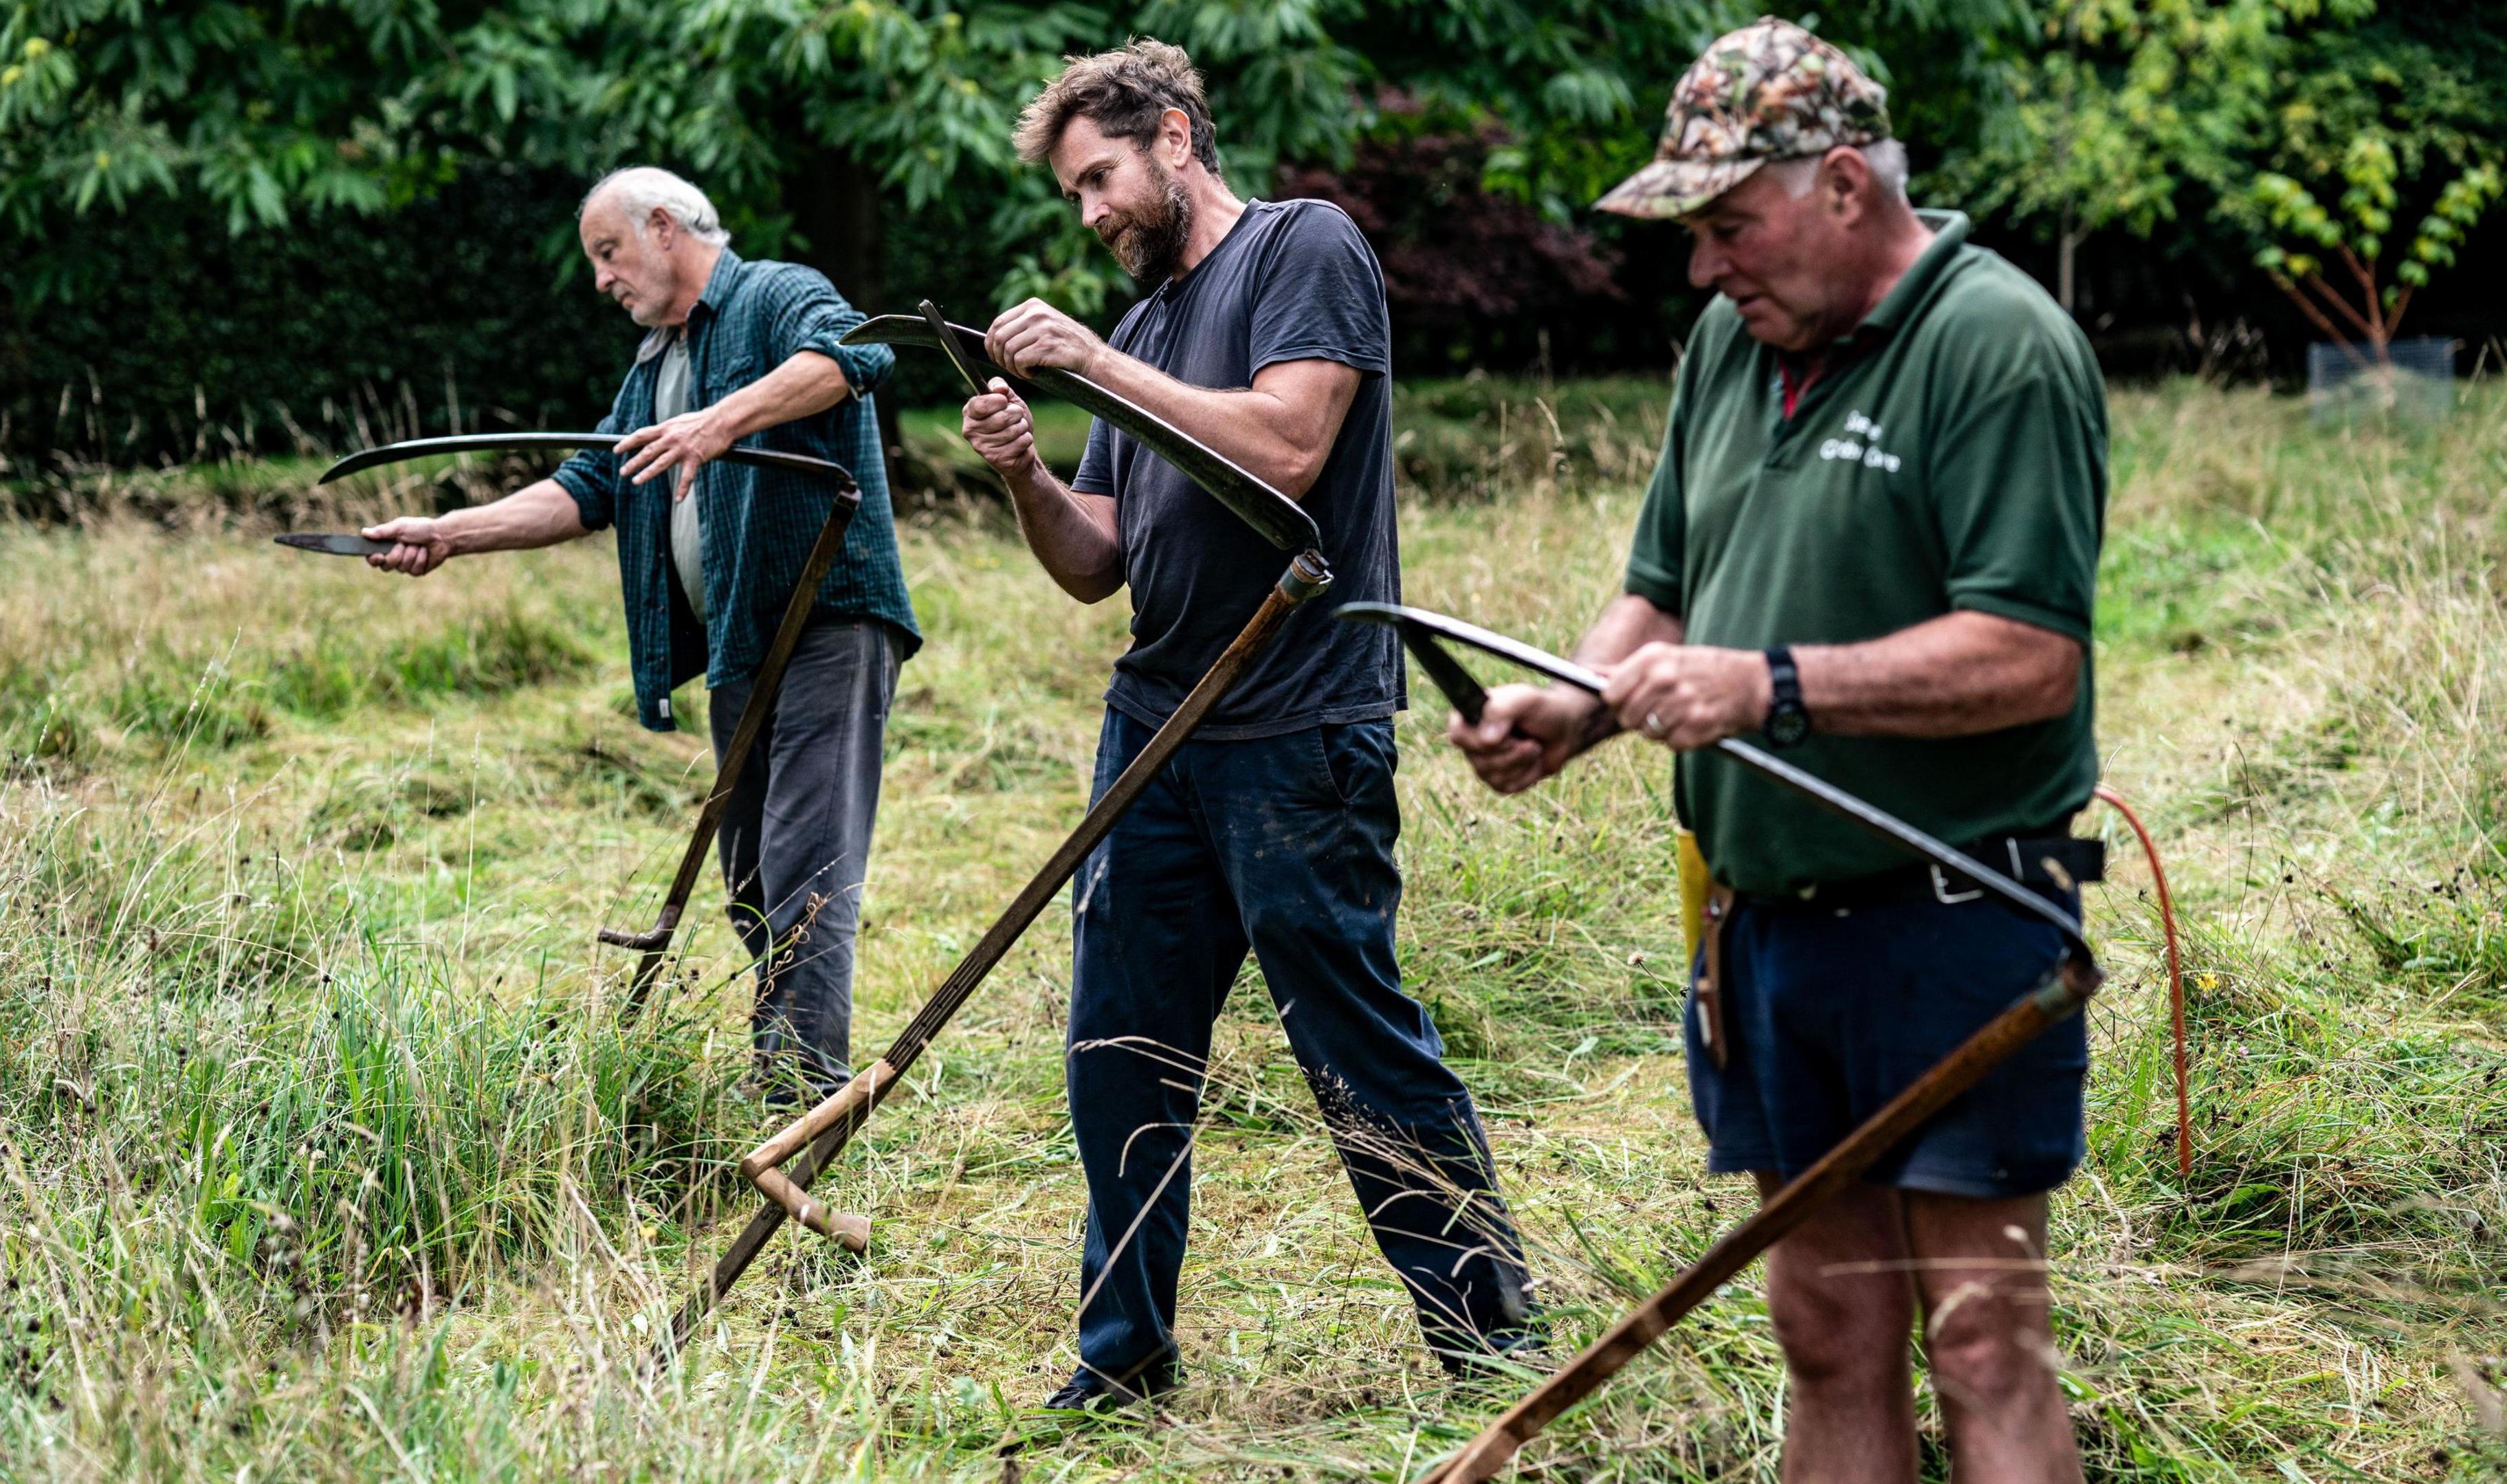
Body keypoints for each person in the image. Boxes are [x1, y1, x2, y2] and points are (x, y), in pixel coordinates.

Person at [1450, 19, 2104, 1482]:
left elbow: (2030, 655)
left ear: (1847, 190)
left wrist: (1770, 686)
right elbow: (1666, 587)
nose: (1705, 266)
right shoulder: (1731, 350)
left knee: (1985, 1335)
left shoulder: (1997, 347)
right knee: (1823, 1326)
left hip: (1958, 914)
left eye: (1731, 224)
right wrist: (1577, 703)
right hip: (1763, 930)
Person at [956, 40, 1534, 1410]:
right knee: (1118, 1052)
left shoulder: (1300, 250)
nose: (1090, 212)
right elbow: (1097, 558)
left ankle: (1490, 1337)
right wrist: (1033, 469)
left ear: (1172, 136)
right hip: (1160, 728)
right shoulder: (1147, 330)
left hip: (1296, 719)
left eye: (1099, 178)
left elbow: (1286, 446)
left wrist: (1093, 360)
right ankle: (1124, 1360)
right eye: (1073, 196)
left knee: (1353, 1042)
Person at [362, 166, 919, 1102]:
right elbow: (590, 486)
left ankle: (800, 1097)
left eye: (607, 252)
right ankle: (791, 1061)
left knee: (803, 866)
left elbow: (853, 357)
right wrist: (449, 535)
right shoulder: (656, 363)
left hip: (828, 621)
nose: (600, 279)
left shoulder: (775, 294)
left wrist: (720, 421)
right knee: (748, 874)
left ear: (664, 227)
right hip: (741, 639)